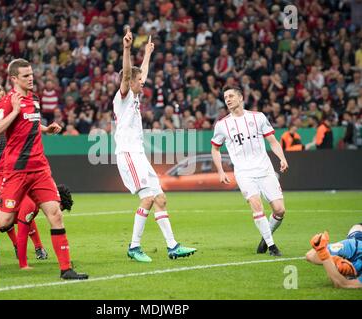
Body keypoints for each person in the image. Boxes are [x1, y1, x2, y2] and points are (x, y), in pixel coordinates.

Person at [0, 59, 88, 280]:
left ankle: (66, 270)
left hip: (40, 169)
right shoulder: (7, 102)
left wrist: (46, 129)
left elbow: (28, 124)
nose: (31, 78)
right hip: (16, 172)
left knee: (56, 215)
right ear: (14, 79)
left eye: (31, 74)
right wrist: (13, 111)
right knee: (4, 222)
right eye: (25, 76)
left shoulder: (34, 99)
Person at [113, 28, 196, 262]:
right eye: (139, 81)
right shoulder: (124, 95)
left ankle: (172, 246)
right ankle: (134, 246)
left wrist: (148, 53)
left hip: (139, 154)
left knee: (160, 198)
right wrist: (127, 49)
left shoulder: (135, 95)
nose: (143, 83)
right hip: (128, 153)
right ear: (130, 81)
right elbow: (129, 73)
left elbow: (142, 72)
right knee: (148, 198)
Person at [211, 85, 289, 256]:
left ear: (240, 97)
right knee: (256, 205)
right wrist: (221, 171)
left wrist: (282, 158)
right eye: (225, 97)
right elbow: (215, 149)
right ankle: (272, 246)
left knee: (280, 210)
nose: (228, 99)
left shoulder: (258, 117)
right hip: (244, 172)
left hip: (265, 169)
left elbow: (273, 141)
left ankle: (265, 237)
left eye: (231, 96)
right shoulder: (222, 125)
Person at [0, 82, 48, 260]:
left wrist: (46, 129)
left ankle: (38, 246)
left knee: (25, 207)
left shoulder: (14, 109)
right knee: (5, 209)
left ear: (4, 92)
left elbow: (32, 125)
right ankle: (17, 244)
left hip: (16, 170)